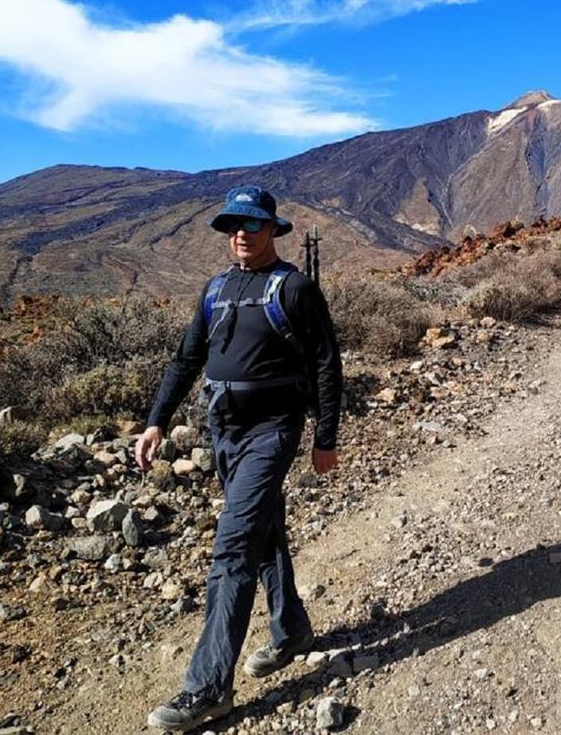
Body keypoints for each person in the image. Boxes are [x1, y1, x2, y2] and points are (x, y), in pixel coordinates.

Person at [135, 185, 342, 732]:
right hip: (223, 428)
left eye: (252, 224)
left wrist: (326, 436)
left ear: (273, 229)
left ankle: (207, 688)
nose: (241, 234)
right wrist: (157, 418)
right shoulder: (216, 289)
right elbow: (186, 358)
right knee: (263, 529)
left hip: (273, 431)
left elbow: (326, 364)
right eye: (233, 225)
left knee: (232, 546)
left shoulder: (294, 288)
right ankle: (292, 630)